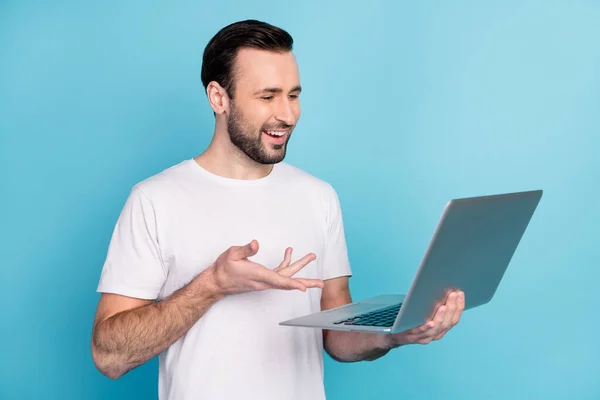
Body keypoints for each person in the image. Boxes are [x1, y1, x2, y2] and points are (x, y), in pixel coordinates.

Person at [91, 19, 465, 400]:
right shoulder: (155, 200)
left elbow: (336, 336)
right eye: (268, 97)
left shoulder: (318, 197)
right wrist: (212, 285)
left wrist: (395, 334)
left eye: (293, 94)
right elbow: (109, 356)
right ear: (219, 98)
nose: (287, 115)